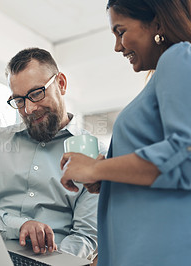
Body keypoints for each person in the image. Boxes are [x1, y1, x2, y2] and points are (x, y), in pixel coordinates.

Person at [60, 0, 191, 265]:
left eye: (121, 31)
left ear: (157, 22)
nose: (118, 46)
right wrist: (106, 178)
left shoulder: (177, 57)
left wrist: (96, 170)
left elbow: (185, 156)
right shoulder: (160, 77)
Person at [0, 48, 104, 265]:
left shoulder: (95, 154)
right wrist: (19, 225)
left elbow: (86, 236)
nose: (28, 108)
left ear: (61, 84)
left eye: (36, 94)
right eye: (19, 100)